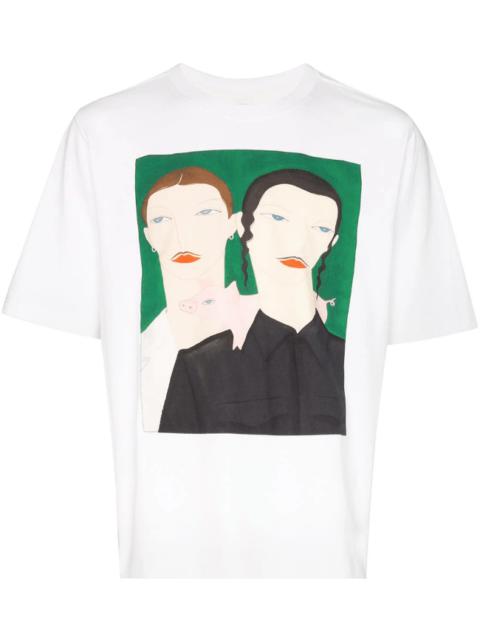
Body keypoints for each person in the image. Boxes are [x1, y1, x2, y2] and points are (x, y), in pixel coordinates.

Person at [159, 169, 346, 435]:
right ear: (242, 226)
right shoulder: (200, 367)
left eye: (321, 228)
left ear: (332, 242)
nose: (297, 241)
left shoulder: (350, 361)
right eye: (278, 218)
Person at [140, 167, 236, 431]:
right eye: (162, 219)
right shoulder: (139, 358)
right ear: (149, 236)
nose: (183, 235)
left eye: (205, 213)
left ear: (233, 225)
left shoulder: (276, 342)